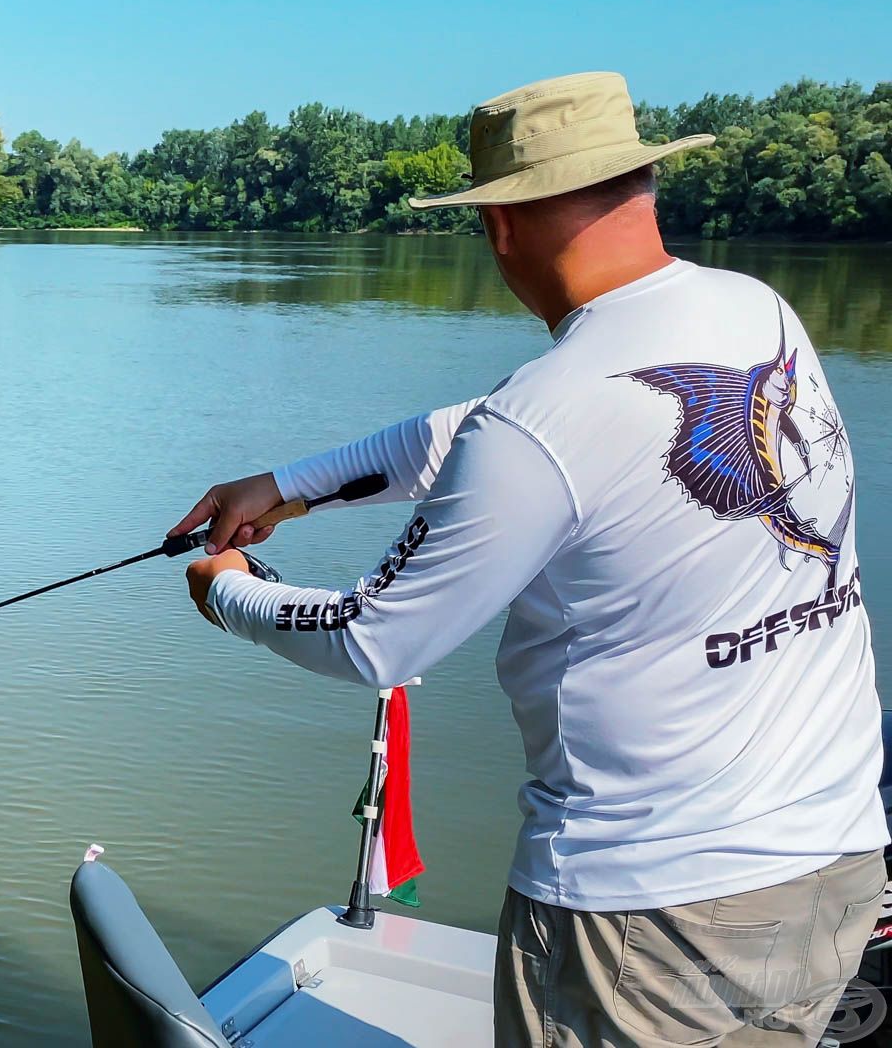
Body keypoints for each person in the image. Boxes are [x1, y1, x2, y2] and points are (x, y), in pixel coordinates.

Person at [169, 71, 889, 1047]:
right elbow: (499, 430)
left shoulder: (548, 414)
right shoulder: (750, 312)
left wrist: (231, 593)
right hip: (835, 859)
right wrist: (288, 485)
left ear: (500, 227)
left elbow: (377, 642)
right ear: (640, 187)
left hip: (650, 918)